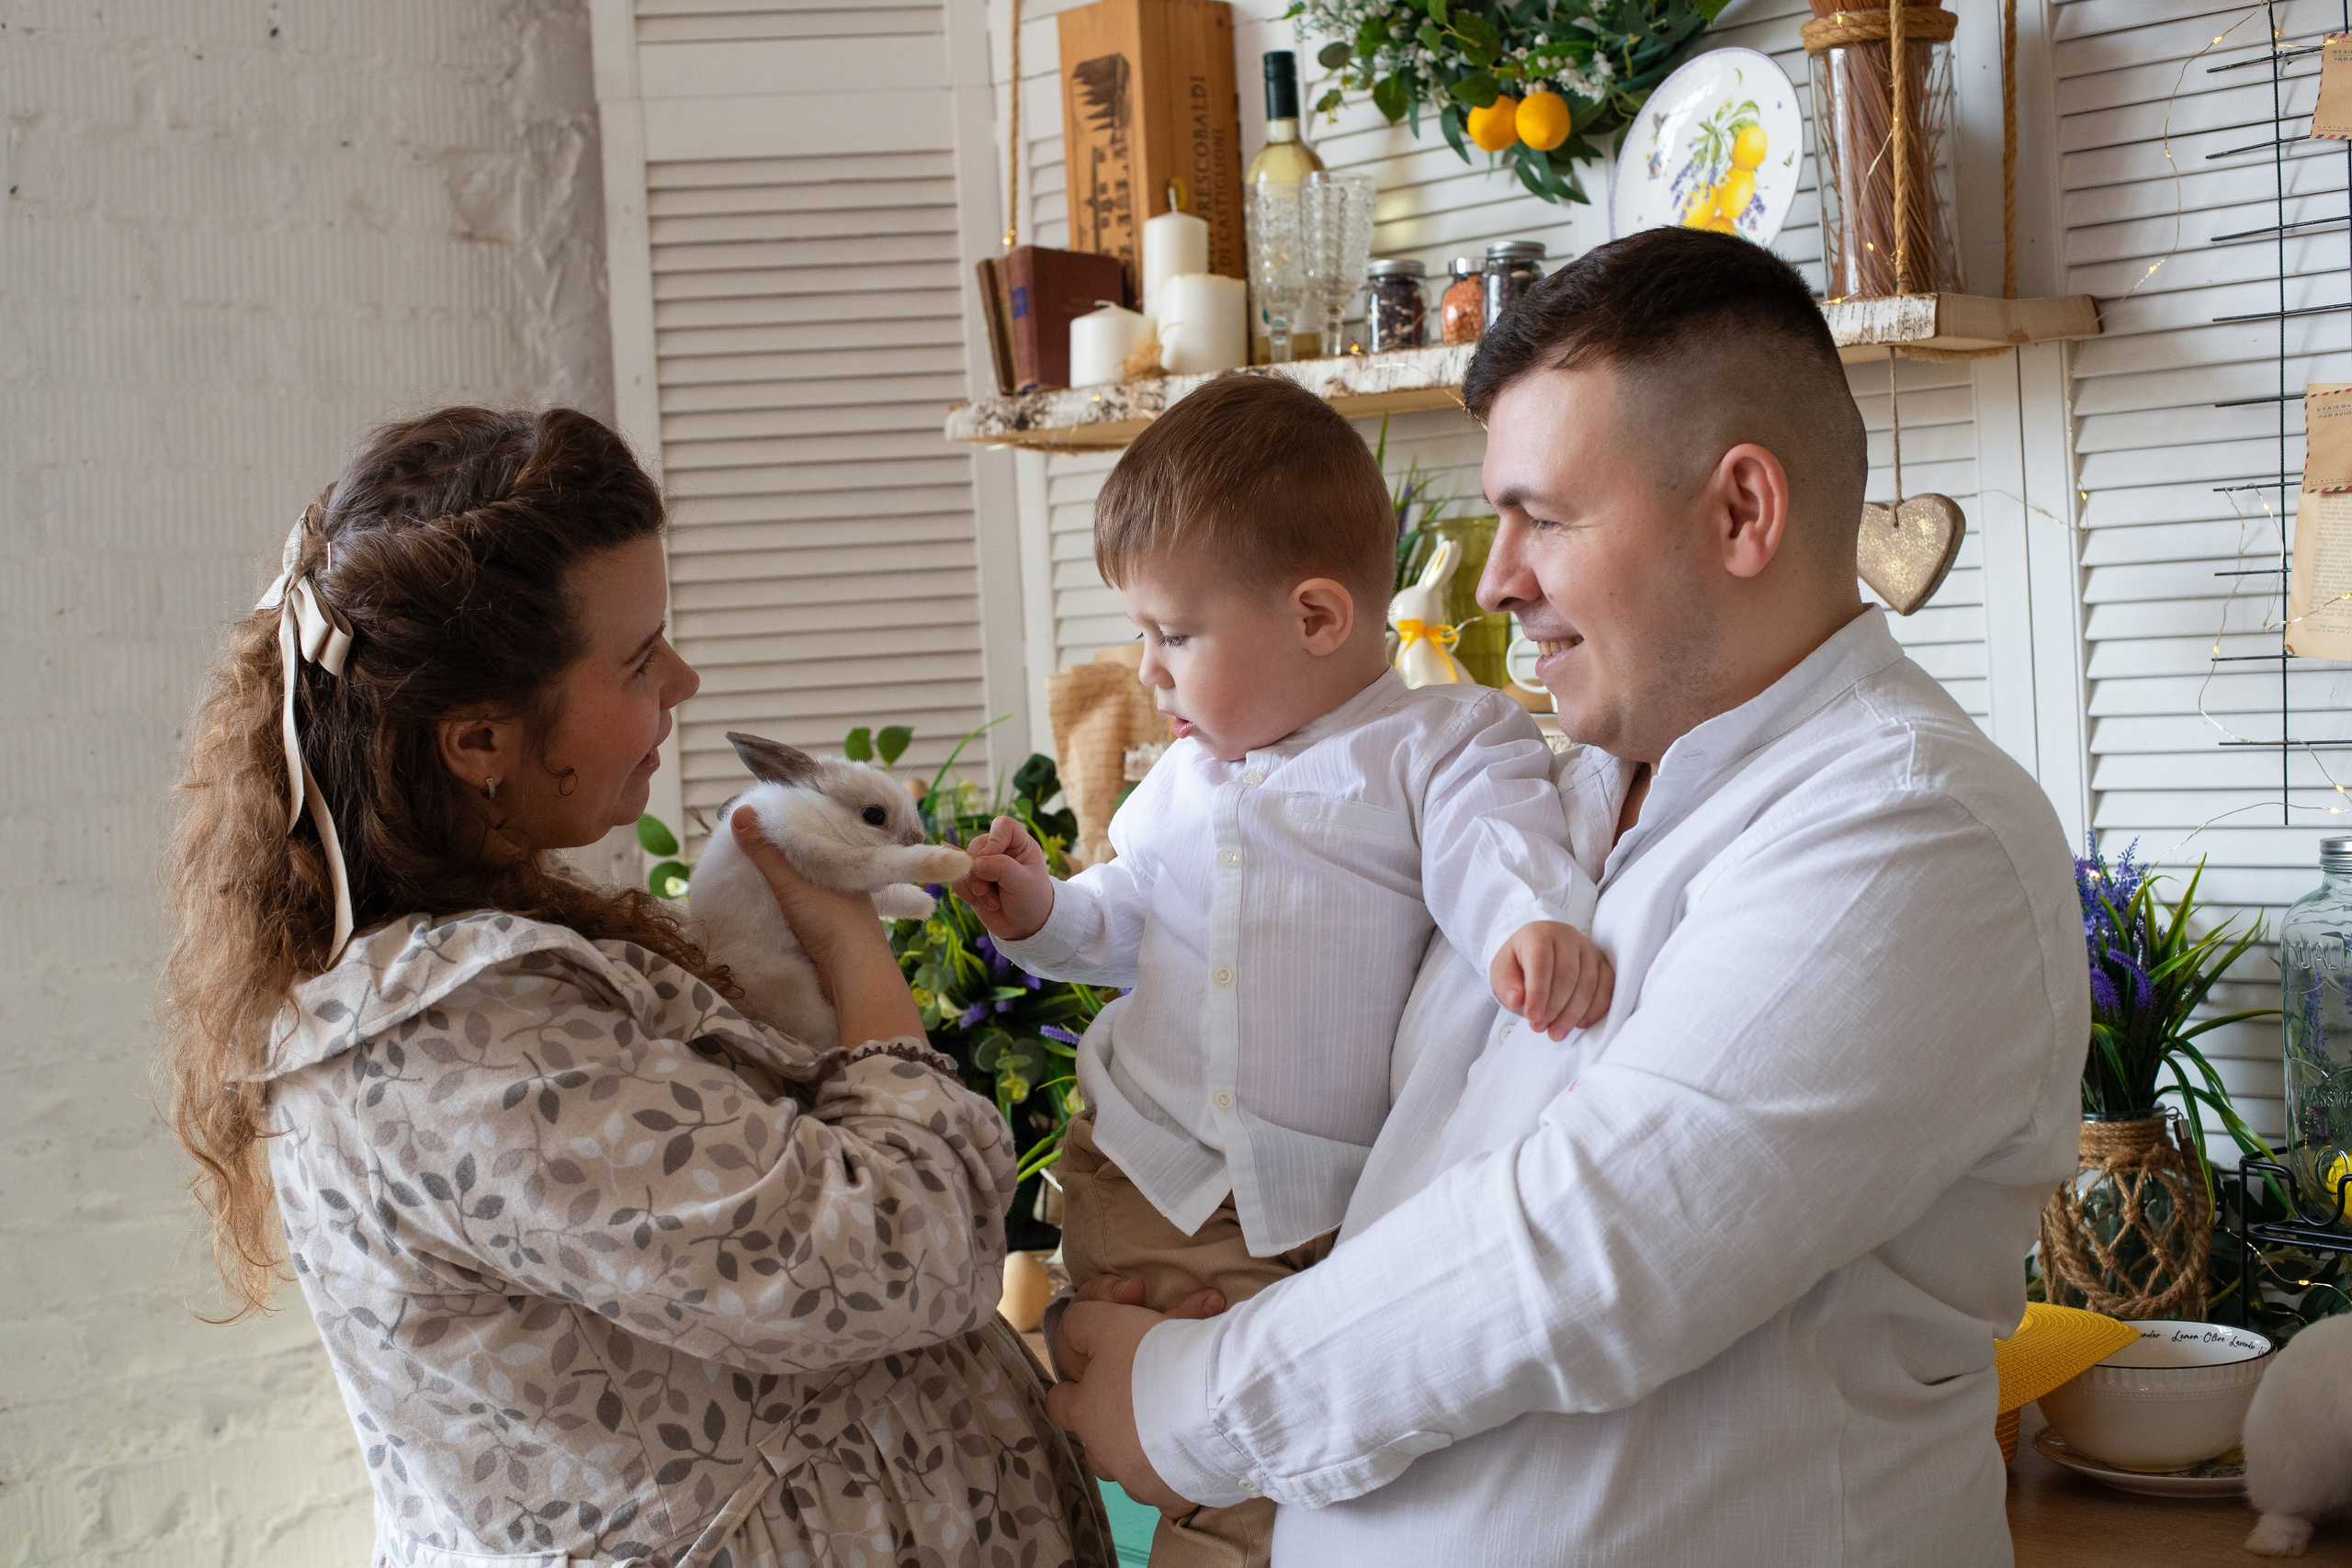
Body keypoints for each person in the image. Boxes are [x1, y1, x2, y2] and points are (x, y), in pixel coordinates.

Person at [1045, 230, 2088, 1565]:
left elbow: (1587, 1254)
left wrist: (1178, 1397)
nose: (1496, 576)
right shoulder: (1553, 798)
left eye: (1542, 513)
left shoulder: (1910, 829)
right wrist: (1200, 1284)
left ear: (1741, 511)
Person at [160, 407, 1114, 1568]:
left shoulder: (503, 960)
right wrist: (849, 944)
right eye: (637, 658)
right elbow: (906, 1246)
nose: (685, 677)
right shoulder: (464, 1051)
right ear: (477, 741)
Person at [956, 374, 1616, 1568]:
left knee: (1251, 1473)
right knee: (1089, 1389)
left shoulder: (1440, 741)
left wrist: (1528, 925)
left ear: (1317, 617)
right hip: (1141, 1174)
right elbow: (1123, 921)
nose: (1147, 671)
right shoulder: (1182, 780)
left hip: (1295, 1217)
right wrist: (1042, 908)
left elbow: (1493, 845)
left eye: (1172, 634)